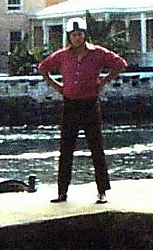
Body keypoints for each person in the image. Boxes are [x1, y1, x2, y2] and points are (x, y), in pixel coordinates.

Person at [38, 17, 127, 204]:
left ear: (84, 35)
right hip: (70, 104)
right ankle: (62, 192)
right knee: (66, 150)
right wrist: (57, 86)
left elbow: (120, 64)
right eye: (73, 35)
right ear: (69, 37)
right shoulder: (62, 55)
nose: (77, 38)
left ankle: (102, 191)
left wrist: (103, 82)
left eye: (79, 34)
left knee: (96, 148)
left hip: (90, 104)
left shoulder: (98, 53)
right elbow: (43, 68)